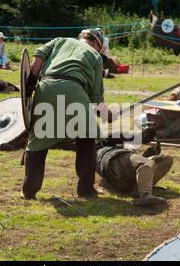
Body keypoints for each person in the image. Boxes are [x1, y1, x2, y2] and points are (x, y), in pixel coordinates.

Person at [22, 29, 116, 200]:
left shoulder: (59, 40)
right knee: (86, 139)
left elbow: (39, 54)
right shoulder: (95, 57)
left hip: (46, 87)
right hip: (74, 90)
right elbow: (96, 100)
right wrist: (108, 116)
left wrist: (32, 79)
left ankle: (29, 191)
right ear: (96, 44)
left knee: (38, 141)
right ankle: (85, 189)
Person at [96, 133, 173, 207]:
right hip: (112, 159)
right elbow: (118, 136)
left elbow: (132, 167)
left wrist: (146, 155)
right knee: (146, 163)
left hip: (119, 170)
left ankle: (138, 189)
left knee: (166, 159)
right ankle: (144, 195)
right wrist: (142, 136)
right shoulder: (99, 144)